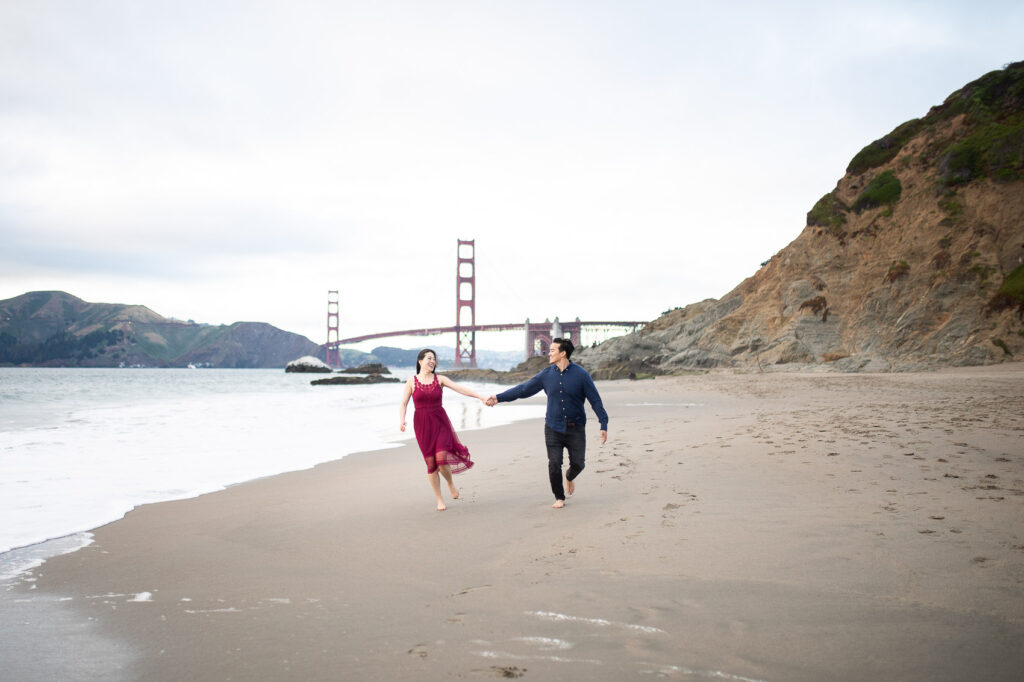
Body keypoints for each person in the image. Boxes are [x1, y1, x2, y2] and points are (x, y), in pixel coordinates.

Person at [485, 338, 608, 508]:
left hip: (576, 428)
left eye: (552, 350)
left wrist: (603, 423)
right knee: (554, 463)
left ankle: (570, 477)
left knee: (579, 464)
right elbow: (523, 389)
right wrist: (499, 397)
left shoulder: (581, 375)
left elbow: (595, 400)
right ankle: (559, 497)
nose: (548, 353)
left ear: (563, 353)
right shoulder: (546, 375)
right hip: (553, 427)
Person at [400, 349, 489, 511]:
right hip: (422, 425)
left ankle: (450, 483)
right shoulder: (411, 382)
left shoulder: (439, 379)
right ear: (420, 361)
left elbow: (459, 388)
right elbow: (404, 403)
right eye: (429, 358)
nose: (432, 361)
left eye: (434, 359)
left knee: (441, 458)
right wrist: (402, 420)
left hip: (440, 423)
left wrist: (480, 397)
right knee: (431, 464)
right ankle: (439, 499)